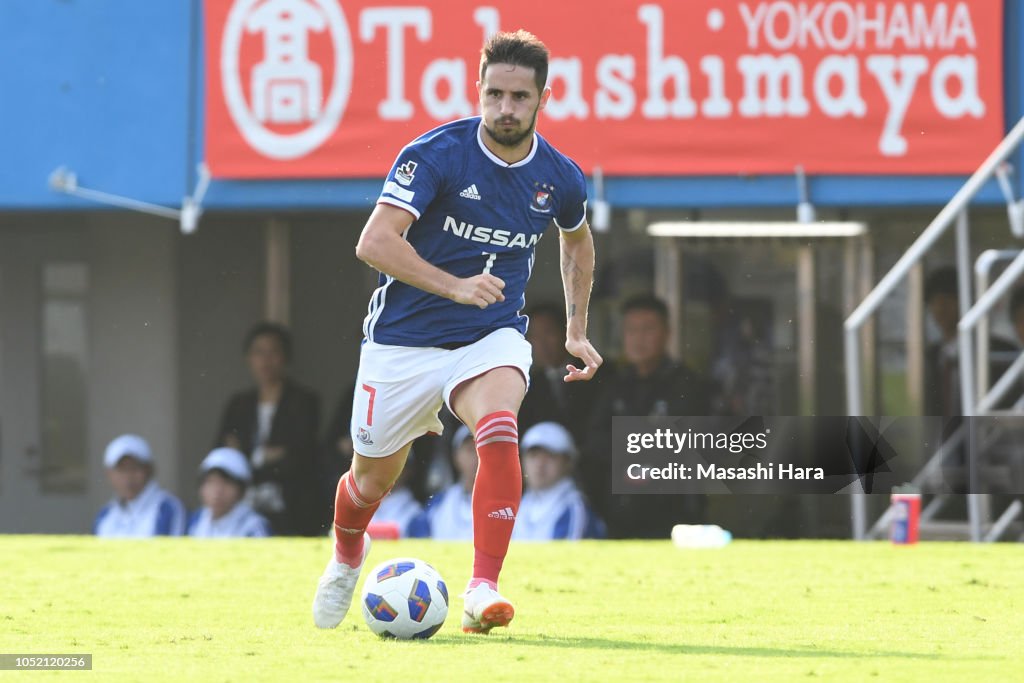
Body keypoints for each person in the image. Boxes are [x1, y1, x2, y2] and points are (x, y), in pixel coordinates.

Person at [312, 30, 602, 635]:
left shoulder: (560, 177)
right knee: (369, 484)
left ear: (541, 99)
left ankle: (482, 586)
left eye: (519, 97)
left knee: (498, 425)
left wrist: (575, 328)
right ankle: (346, 557)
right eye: (494, 93)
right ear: (478, 89)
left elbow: (576, 240)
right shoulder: (437, 154)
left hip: (489, 336)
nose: (504, 108)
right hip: (403, 342)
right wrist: (456, 285)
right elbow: (374, 242)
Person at [584, 294, 711, 539]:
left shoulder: (686, 384)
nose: (638, 338)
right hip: (619, 507)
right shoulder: (614, 384)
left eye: (647, 329)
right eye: (631, 330)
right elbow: (594, 440)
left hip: (674, 508)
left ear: (667, 333)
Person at [215, 322, 322, 536]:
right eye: (258, 352)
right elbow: (223, 451)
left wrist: (250, 457)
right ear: (248, 358)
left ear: (285, 357)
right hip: (243, 495)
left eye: (273, 352)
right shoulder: (239, 403)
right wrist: (267, 456)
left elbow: (302, 453)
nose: (266, 360)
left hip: (290, 499)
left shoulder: (304, 401)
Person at [517, 301, 599, 443]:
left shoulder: (593, 371)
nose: (542, 343)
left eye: (548, 332)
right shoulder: (527, 386)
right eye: (535, 336)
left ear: (566, 332)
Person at [513, 422, 604, 541]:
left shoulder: (573, 509)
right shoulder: (521, 503)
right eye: (533, 456)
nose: (539, 464)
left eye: (550, 456)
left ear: (568, 463)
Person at [94, 434, 187, 537]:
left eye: (134, 468)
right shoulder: (105, 515)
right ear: (109, 474)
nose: (128, 476)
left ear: (149, 470)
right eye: (121, 470)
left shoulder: (167, 508)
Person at [187, 447, 271, 538]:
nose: (217, 491)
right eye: (210, 482)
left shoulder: (253, 527)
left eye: (226, 483)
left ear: (242, 490)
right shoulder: (196, 520)